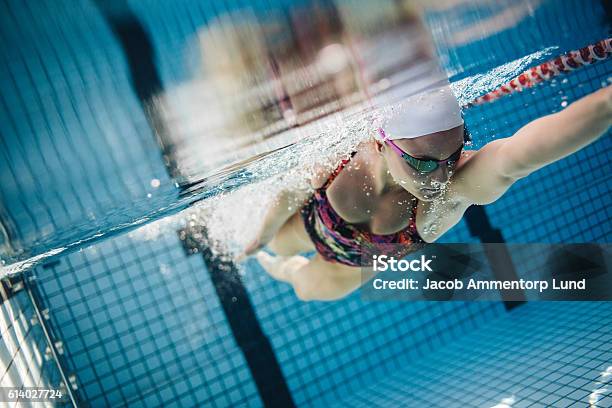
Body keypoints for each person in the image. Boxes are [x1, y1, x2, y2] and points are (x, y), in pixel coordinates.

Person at [242, 83, 612, 301]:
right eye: (421, 163)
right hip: (311, 223)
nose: (438, 176)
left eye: (453, 155)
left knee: (303, 285)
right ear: (383, 142)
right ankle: (271, 255)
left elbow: (517, 157)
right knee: (275, 243)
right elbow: (288, 191)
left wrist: (607, 104)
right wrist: (261, 234)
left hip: (347, 269)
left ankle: (280, 269)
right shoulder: (344, 152)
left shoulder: (449, 194)